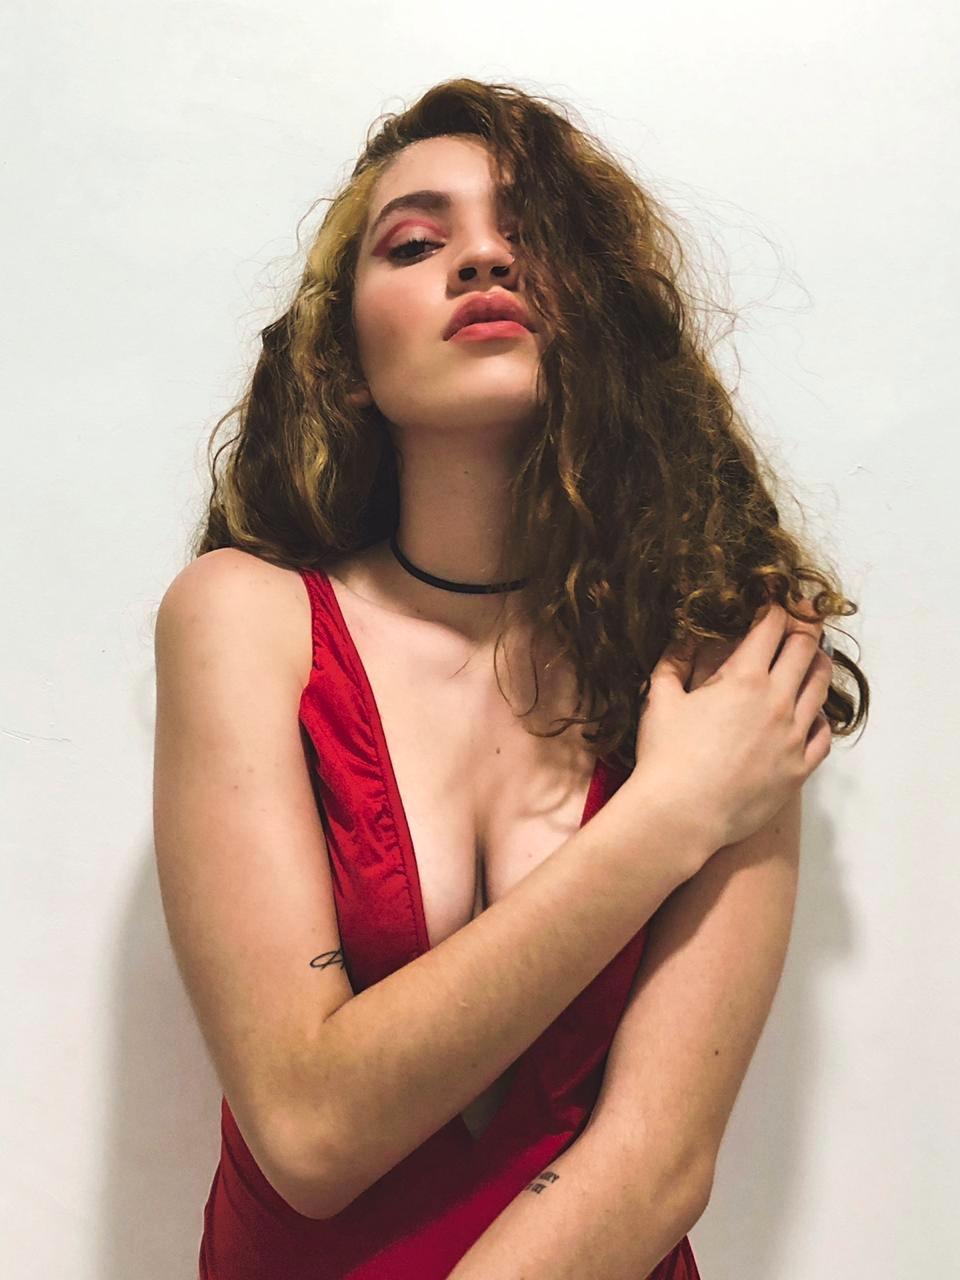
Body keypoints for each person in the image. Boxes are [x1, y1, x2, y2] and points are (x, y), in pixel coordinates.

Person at [152, 77, 869, 1279]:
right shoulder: (246, 618)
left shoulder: (720, 652)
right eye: (415, 243)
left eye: (531, 234)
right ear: (344, 360)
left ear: (603, 311)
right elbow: (310, 1130)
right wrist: (669, 814)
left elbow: (658, 1161)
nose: (483, 257)